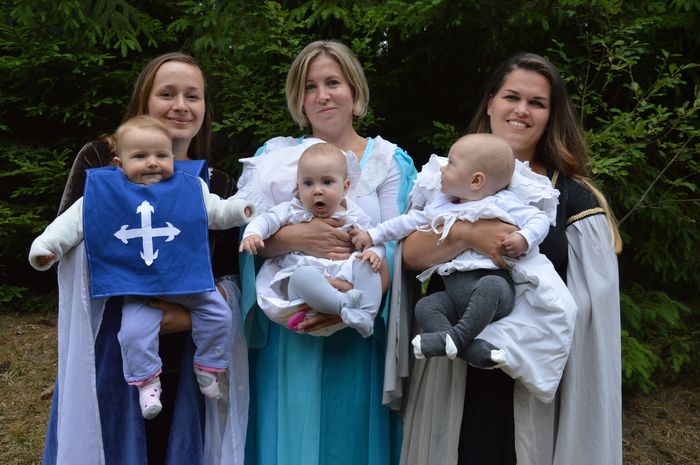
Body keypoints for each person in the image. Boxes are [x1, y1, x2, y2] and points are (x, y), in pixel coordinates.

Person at [394, 52, 622, 465]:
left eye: (537, 103)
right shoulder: (447, 179)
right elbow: (409, 255)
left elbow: (593, 312)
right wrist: (467, 233)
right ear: (490, 103)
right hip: (454, 367)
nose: (522, 110)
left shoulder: (572, 197)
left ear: (551, 116)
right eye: (512, 97)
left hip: (527, 375)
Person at [42, 53, 249, 465]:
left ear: (205, 107)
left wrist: (186, 317)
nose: (181, 106)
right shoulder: (101, 163)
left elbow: (230, 274)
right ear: (144, 100)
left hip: (188, 357)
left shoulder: (218, 185)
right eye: (166, 94)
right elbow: (66, 249)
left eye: (193, 96)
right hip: (112, 351)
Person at [235, 40, 416, 465]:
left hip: (358, 328)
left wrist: (356, 299)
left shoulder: (387, 160)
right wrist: (300, 238)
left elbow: (398, 244)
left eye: (333, 83)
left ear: (354, 90)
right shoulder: (274, 157)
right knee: (291, 437)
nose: (322, 95)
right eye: (310, 87)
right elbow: (249, 238)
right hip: (292, 326)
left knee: (349, 437)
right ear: (299, 100)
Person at [30, 116, 253, 419]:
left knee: (219, 314)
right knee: (133, 333)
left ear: (173, 158)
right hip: (139, 286)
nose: (152, 163)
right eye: (140, 156)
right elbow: (72, 221)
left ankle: (208, 367)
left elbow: (217, 210)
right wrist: (47, 247)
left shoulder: (190, 187)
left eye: (161, 155)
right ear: (119, 164)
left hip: (185, 281)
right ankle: (147, 383)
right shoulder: (106, 191)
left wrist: (240, 209)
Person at [352, 133, 552, 361]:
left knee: (491, 286)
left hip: (494, 290)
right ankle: (468, 349)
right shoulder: (441, 205)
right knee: (426, 307)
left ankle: (454, 339)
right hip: (454, 294)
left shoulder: (502, 202)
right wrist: (372, 234)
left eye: (451, 164)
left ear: (476, 181)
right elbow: (406, 222)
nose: (442, 169)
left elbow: (539, 219)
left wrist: (524, 238)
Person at [240, 142, 383, 337]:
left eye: (327, 182)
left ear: (345, 187)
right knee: (302, 275)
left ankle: (365, 314)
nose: (317, 190)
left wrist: (373, 253)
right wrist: (253, 234)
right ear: (298, 188)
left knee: (367, 265)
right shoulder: (293, 209)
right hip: (305, 287)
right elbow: (267, 220)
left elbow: (375, 237)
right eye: (308, 183)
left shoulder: (354, 214)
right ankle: (343, 305)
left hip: (345, 276)